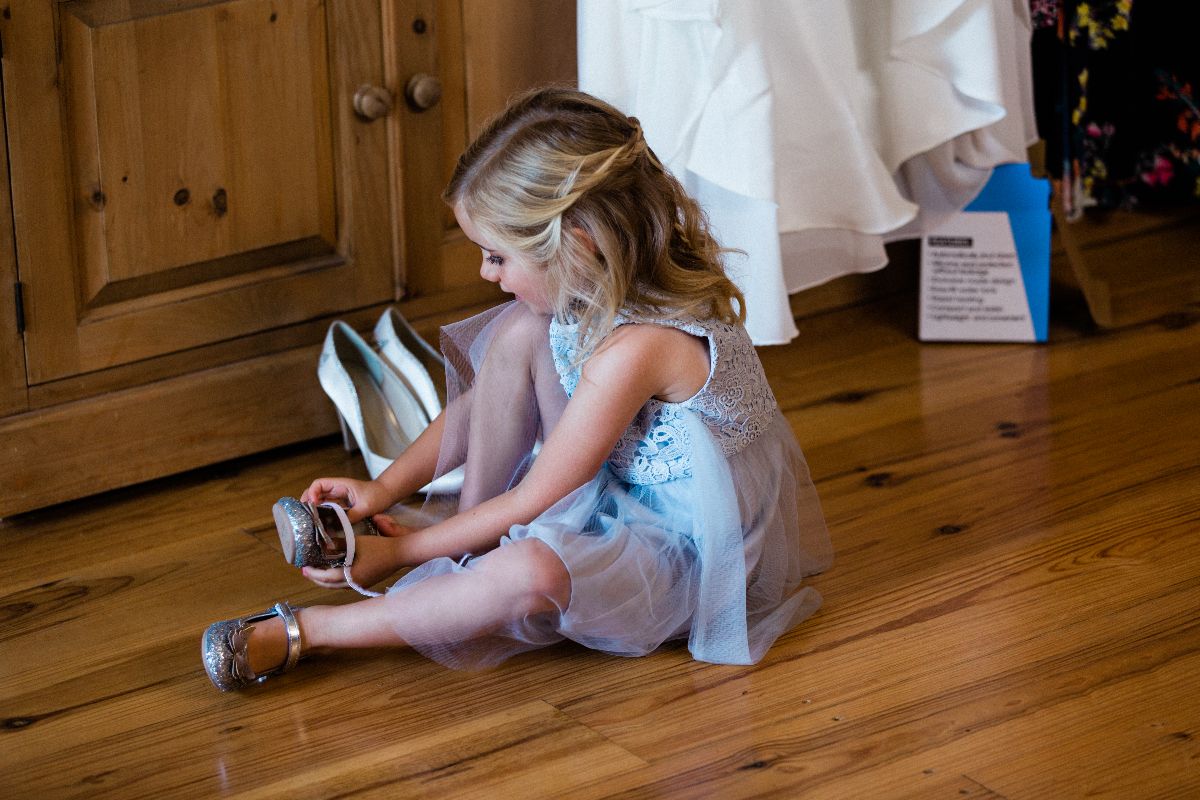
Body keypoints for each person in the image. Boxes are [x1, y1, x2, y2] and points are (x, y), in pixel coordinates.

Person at [201, 87, 832, 690]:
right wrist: (388, 485)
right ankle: (465, 550)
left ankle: (313, 630)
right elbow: (477, 408)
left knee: (528, 571)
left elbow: (533, 495)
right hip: (616, 487)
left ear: (577, 244)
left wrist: (398, 556)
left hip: (684, 556)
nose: (485, 273)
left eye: (497, 257)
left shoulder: (640, 349)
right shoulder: (590, 296)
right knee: (516, 331)